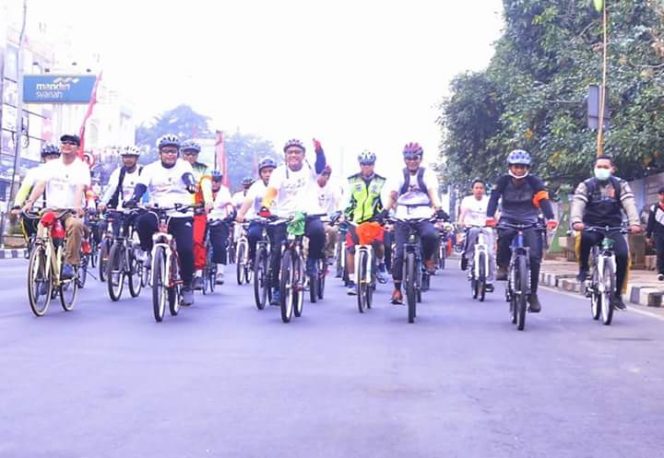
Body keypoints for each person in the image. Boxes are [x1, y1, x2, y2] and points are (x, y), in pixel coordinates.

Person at [125, 134, 197, 306]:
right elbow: (141, 186)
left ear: (178, 153)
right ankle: (149, 251)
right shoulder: (150, 169)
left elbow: (188, 177)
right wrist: (134, 198)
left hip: (180, 212)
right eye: (166, 152)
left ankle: (187, 285)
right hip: (158, 209)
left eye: (173, 152)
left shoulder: (184, 166)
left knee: (186, 249)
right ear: (160, 153)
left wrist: (191, 186)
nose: (170, 155)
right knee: (143, 222)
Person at [487, 149, 557, 313]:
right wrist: (490, 216)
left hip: (530, 218)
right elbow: (493, 199)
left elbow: (544, 201)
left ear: (528, 168)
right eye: (516, 167)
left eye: (523, 167)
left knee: (534, 256)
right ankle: (503, 266)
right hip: (508, 217)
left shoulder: (535, 182)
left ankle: (533, 294)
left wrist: (550, 218)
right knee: (504, 236)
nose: (519, 170)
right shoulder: (503, 181)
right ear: (510, 167)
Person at [259, 138, 327, 304]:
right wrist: (265, 206)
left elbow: (321, 166)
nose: (294, 155)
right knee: (277, 252)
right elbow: (272, 191)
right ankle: (276, 288)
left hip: (307, 214)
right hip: (284, 216)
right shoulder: (279, 172)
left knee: (318, 232)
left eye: (297, 152)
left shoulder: (310, 168)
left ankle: (311, 261)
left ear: (303, 155)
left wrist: (319, 152)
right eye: (290, 152)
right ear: (285, 156)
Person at [571, 155, 641, 310]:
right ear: (594, 168)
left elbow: (629, 203)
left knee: (623, 255)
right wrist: (576, 220)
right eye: (599, 167)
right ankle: (583, 269)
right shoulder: (586, 185)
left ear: (612, 169)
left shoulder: (620, 185)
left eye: (605, 167)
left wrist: (634, 223)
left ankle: (617, 295)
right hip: (592, 226)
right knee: (584, 240)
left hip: (613, 228)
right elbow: (578, 203)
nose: (601, 170)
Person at [383, 142, 448, 305]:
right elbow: (393, 194)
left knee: (431, 235)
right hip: (403, 215)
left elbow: (432, 192)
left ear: (420, 158)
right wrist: (385, 210)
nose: (412, 161)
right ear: (404, 159)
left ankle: (427, 259)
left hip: (423, 214)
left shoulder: (428, 174)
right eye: (408, 158)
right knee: (398, 254)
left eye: (415, 158)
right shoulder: (399, 174)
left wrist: (438, 208)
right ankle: (397, 289)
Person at [22, 134, 91, 280]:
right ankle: (41, 272)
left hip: (69, 211)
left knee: (76, 225)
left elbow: (80, 188)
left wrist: (78, 206)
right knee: (40, 237)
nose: (67, 145)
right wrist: (30, 202)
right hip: (51, 210)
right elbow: (40, 186)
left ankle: (69, 263)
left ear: (77, 148)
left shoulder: (81, 167)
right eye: (64, 142)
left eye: (71, 143)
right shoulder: (51, 166)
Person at [342, 150, 388, 295]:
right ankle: (352, 280)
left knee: (380, 245)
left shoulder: (382, 181)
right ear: (359, 165)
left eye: (370, 164)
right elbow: (346, 200)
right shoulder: (351, 181)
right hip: (356, 221)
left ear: (374, 165)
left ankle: (381, 265)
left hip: (374, 221)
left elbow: (386, 200)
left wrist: (385, 215)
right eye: (363, 164)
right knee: (350, 248)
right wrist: (341, 213)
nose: (366, 167)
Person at [179, 140, 213, 289]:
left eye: (193, 154)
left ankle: (198, 272)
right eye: (187, 154)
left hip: (196, 210)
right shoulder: (176, 167)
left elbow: (206, 187)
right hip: (177, 210)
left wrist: (208, 201)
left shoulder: (203, 169)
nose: (190, 157)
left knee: (196, 241)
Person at [12, 143, 61, 239]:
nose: (53, 160)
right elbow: (24, 190)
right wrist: (17, 205)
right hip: (35, 211)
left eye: (55, 157)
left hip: (56, 211)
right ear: (44, 159)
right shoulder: (34, 172)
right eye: (50, 157)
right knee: (32, 238)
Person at [236, 157, 278, 265]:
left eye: (271, 171)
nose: (268, 174)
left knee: (277, 243)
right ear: (261, 174)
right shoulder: (256, 186)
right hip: (258, 219)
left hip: (276, 220)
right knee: (252, 235)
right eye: (265, 172)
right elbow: (248, 200)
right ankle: (253, 257)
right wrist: (241, 214)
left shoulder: (280, 184)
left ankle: (274, 264)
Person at [98, 145, 143, 237]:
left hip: (139, 208)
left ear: (136, 158)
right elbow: (111, 188)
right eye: (125, 157)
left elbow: (149, 190)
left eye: (131, 157)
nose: (128, 160)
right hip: (121, 208)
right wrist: (103, 202)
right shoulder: (118, 172)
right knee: (116, 234)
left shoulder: (143, 172)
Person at [458, 179, 495, 291]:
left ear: (484, 190)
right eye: (476, 188)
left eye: (481, 188)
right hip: (472, 227)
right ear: (472, 190)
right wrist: (461, 222)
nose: (479, 190)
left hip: (486, 228)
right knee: (472, 237)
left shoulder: (489, 201)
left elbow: (495, 214)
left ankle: (489, 281)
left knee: (490, 254)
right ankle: (467, 258)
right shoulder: (467, 200)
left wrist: (497, 222)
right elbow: (463, 213)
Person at [206, 170, 234, 285]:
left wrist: (230, 214)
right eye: (212, 181)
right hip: (204, 219)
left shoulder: (224, 192)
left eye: (217, 181)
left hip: (219, 221)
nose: (214, 183)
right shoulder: (203, 190)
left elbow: (229, 205)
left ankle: (220, 271)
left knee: (219, 245)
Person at [316, 165, 342, 263]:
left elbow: (339, 202)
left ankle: (329, 252)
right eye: (321, 174)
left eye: (325, 174)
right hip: (313, 219)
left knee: (333, 230)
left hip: (328, 219)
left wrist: (339, 213)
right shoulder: (310, 187)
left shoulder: (333, 188)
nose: (323, 177)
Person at [646, 187, 664, 281]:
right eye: (662, 194)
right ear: (659, 196)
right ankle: (661, 272)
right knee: (660, 252)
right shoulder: (654, 208)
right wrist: (648, 236)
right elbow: (650, 222)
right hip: (658, 234)